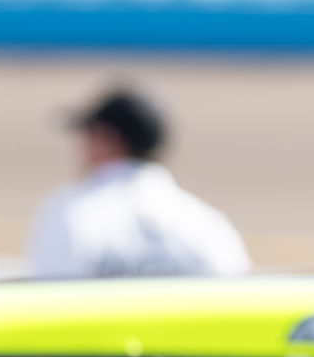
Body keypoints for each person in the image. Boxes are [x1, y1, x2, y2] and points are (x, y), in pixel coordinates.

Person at [26, 85, 251, 280]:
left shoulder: (69, 210)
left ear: (108, 138)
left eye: (90, 135)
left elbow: (49, 297)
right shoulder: (207, 223)